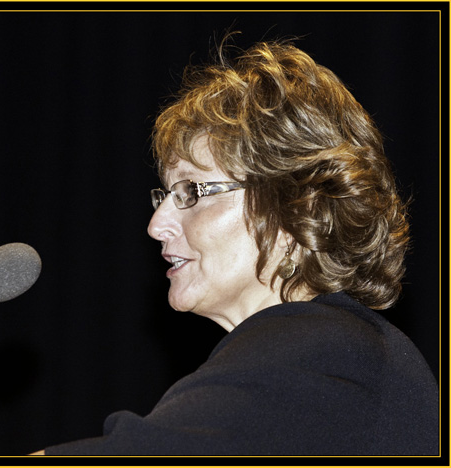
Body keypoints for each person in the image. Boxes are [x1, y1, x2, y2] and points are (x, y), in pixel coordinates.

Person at [32, 39, 438, 456]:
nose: (156, 226)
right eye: (165, 196)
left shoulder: (325, 354)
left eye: (191, 191)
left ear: (295, 207)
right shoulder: (332, 355)